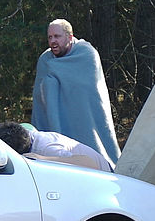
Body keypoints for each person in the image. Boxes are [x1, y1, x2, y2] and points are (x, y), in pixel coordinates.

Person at [31, 19, 119, 164]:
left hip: (84, 121)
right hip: (55, 122)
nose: (53, 41)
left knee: (94, 160)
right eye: (50, 37)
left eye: (57, 36)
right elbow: (40, 100)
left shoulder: (86, 54)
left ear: (70, 37)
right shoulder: (45, 59)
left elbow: (88, 93)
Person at [0, 121, 114, 171]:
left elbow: (90, 164)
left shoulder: (47, 149)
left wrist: (42, 159)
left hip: (104, 176)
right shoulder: (25, 134)